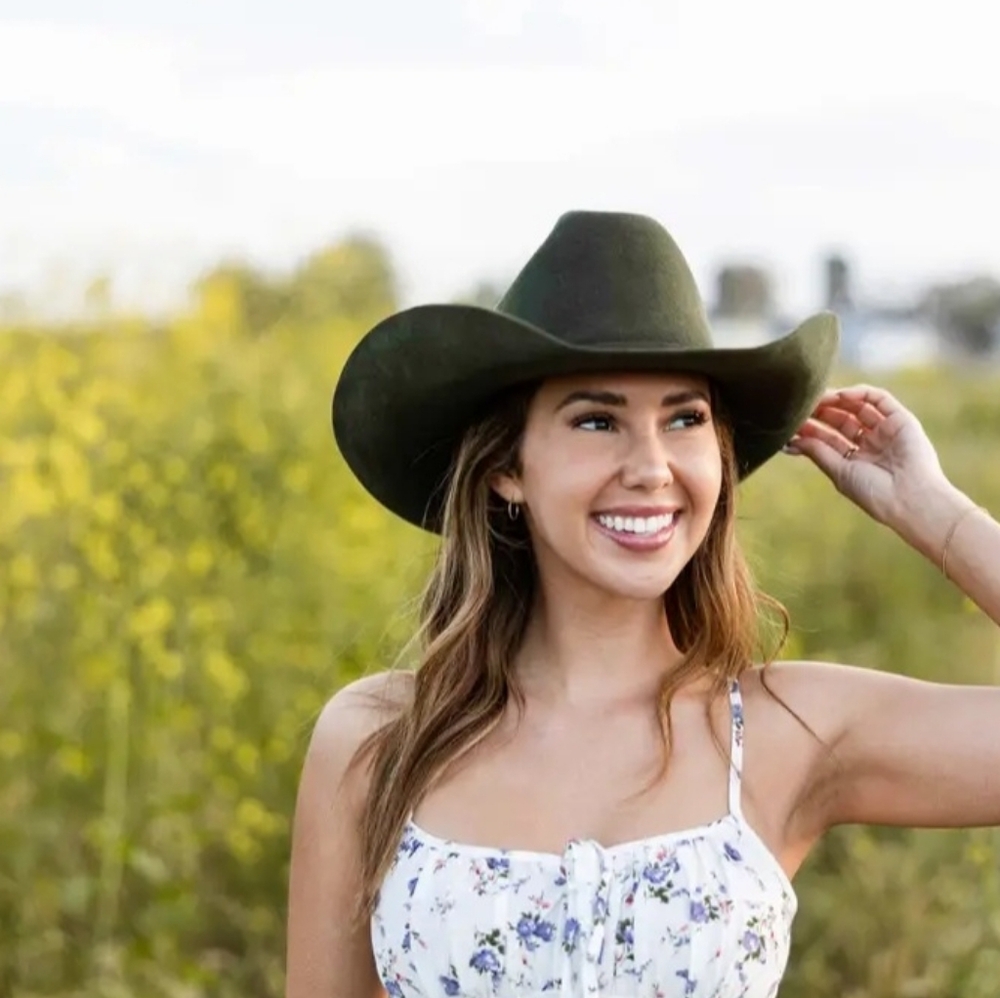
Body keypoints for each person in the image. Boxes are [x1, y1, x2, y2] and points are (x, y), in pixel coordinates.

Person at [285, 211, 1000, 998]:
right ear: (506, 468)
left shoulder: (786, 731)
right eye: (598, 420)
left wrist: (934, 512)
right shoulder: (377, 741)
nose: (653, 467)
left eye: (685, 419)